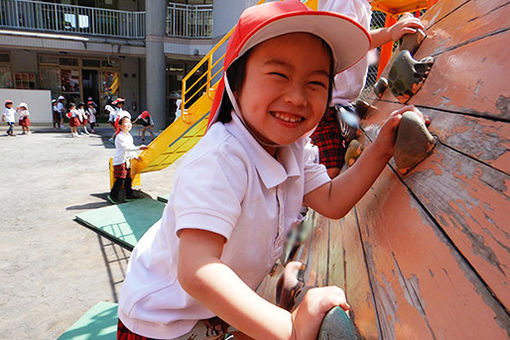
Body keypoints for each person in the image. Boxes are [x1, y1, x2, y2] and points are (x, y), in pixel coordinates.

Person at [116, 1, 423, 339]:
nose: (297, 97)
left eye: (316, 83)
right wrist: (290, 329)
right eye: (279, 75)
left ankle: (273, 293)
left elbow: (334, 200)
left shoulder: (295, 149)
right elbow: (197, 270)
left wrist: (382, 149)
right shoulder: (221, 160)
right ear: (237, 82)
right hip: (162, 321)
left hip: (209, 312)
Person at [311, 0, 424, 179]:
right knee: (331, 169)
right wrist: (389, 32)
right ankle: (301, 202)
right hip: (326, 105)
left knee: (341, 152)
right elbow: (349, 40)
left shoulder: (358, 3)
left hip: (337, 102)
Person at [109, 116, 147, 204]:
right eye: (126, 122)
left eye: (130, 122)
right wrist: (139, 148)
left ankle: (129, 194)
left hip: (126, 161)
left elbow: (131, 147)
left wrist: (135, 156)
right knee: (120, 179)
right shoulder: (120, 137)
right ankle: (113, 195)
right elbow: (127, 148)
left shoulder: (128, 135)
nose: (129, 124)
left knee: (128, 178)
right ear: (120, 126)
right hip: (120, 161)